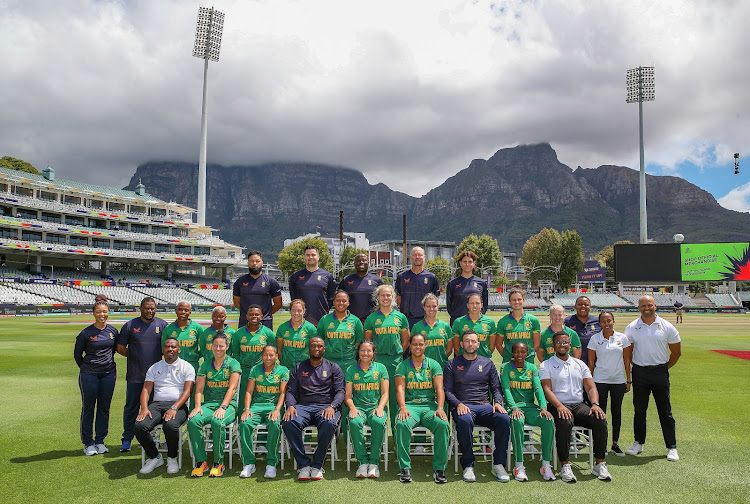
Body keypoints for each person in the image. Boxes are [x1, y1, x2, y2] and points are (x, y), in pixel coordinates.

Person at [539, 331, 611, 482]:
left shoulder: (579, 364)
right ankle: (565, 464)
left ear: (570, 345)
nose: (562, 345)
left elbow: (591, 388)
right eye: (558, 342)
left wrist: (595, 404)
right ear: (553, 346)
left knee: (600, 419)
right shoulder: (546, 365)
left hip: (578, 405)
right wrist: (559, 406)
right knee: (565, 421)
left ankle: (599, 463)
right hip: (557, 405)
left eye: (565, 342)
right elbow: (546, 389)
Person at [444, 330, 511, 483]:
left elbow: (496, 388)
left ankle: (498, 464)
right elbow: (447, 391)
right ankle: (468, 464)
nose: (470, 344)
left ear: (478, 344)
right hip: (464, 406)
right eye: (467, 341)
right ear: (461, 344)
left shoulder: (487, 363)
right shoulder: (452, 364)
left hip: (484, 406)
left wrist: (498, 403)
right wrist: (458, 404)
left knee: (503, 419)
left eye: (473, 341)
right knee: (465, 421)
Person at [623, 295, 681, 462]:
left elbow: (676, 353)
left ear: (655, 306)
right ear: (638, 307)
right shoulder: (632, 327)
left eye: (649, 305)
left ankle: (671, 447)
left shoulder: (667, 326)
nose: (646, 308)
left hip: (660, 372)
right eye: (643, 305)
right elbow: (629, 353)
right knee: (639, 410)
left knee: (665, 411)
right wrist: (640, 365)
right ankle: (638, 443)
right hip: (640, 372)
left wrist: (663, 368)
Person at [282, 336, 345, 481]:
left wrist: (333, 406)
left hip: (325, 406)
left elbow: (340, 391)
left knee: (329, 423)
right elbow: (290, 391)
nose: (316, 349)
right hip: (303, 406)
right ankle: (303, 464)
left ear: (324, 349)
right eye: (313, 346)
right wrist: (290, 406)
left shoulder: (333, 367)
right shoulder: (299, 367)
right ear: (308, 348)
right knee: (289, 421)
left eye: (319, 346)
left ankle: (317, 465)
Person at [394, 333, 450, 484]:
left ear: (426, 345)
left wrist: (440, 407)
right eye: (414, 344)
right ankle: (405, 468)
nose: (417, 347)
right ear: (410, 346)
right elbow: (400, 389)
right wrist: (403, 407)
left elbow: (439, 389)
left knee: (443, 424)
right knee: (402, 423)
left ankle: (439, 469)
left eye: (420, 344)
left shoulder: (434, 365)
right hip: (411, 406)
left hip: (430, 406)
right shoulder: (402, 366)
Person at [135, 337, 195, 474]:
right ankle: (155, 457)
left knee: (170, 425)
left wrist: (174, 407)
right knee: (139, 426)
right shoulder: (155, 367)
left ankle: (172, 458)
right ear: (163, 350)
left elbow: (188, 391)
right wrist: (144, 408)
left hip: (178, 405)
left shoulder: (187, 367)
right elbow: (146, 390)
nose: (170, 349)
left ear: (179, 349)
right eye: (167, 347)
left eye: (173, 347)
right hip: (156, 404)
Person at [115, 296, 168, 452]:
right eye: (147, 308)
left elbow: (168, 349)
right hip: (135, 375)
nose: (150, 311)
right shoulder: (130, 325)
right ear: (141, 308)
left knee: (153, 409)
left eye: (152, 308)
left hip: (156, 378)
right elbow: (120, 348)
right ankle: (127, 439)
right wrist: (135, 357)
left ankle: (153, 438)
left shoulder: (162, 325)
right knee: (131, 408)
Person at [187, 333, 241, 477]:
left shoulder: (233, 364)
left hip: (228, 405)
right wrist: (198, 406)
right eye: (215, 345)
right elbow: (198, 389)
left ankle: (218, 463)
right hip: (209, 404)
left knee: (218, 422)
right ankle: (201, 462)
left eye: (221, 346)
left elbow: (232, 388)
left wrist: (223, 407)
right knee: (193, 420)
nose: (218, 348)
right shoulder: (205, 364)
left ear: (227, 347)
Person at [501, 341, 555, 482]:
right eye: (517, 352)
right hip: (513, 408)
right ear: (512, 353)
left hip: (530, 407)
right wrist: (514, 408)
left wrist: (543, 407)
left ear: (527, 353)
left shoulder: (531, 367)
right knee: (517, 421)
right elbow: (506, 390)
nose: (520, 354)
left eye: (523, 351)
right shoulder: (506, 368)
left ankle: (545, 464)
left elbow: (538, 389)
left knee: (548, 421)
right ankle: (519, 465)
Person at [238, 345, 289, 479]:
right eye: (265, 355)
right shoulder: (255, 369)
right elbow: (249, 391)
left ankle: (271, 463)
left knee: (274, 423)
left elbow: (283, 392)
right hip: (256, 406)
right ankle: (249, 463)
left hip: (273, 406)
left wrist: (278, 409)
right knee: (244, 423)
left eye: (271, 355)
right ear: (262, 356)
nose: (268, 358)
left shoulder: (283, 370)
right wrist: (247, 409)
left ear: (276, 356)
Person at [74, 300, 118, 456]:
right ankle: (88, 443)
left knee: (104, 408)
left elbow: (114, 350)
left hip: (108, 374)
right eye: (99, 312)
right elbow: (77, 355)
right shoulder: (86, 333)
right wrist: (88, 368)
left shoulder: (113, 331)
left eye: (105, 312)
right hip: (89, 375)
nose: (102, 315)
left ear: (108, 312)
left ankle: (100, 441)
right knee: (88, 408)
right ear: (94, 313)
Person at [364, 284, 410, 428]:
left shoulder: (400, 317)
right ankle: (378, 438)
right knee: (378, 399)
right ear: (377, 297)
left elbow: (406, 341)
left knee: (396, 399)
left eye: (388, 295)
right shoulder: (372, 319)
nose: (386, 298)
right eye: (382, 295)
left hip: (395, 362)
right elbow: (368, 343)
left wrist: (396, 354)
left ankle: (398, 435)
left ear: (393, 297)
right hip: (377, 362)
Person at [587, 311, 632, 457]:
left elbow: (627, 361)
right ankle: (602, 445)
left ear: (613, 321)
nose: (606, 324)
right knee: (601, 413)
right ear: (599, 323)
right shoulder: (595, 339)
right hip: (600, 380)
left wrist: (628, 380)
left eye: (609, 320)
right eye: (603, 321)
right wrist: (591, 383)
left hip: (618, 380)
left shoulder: (622, 338)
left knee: (616, 412)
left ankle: (615, 444)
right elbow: (591, 363)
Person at [344, 340, 389, 478]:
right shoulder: (351, 370)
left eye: (369, 350)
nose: (365, 353)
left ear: (373, 353)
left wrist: (381, 407)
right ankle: (362, 462)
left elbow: (385, 393)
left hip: (376, 407)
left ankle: (374, 462)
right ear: (358, 352)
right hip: (359, 408)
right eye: (363, 350)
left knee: (378, 421)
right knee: (353, 421)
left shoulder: (381, 368)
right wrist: (352, 408)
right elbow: (348, 396)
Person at [232, 305, 276, 441]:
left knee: (261, 404)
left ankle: (262, 440)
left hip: (262, 373)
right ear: (246, 316)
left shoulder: (268, 333)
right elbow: (236, 354)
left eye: (257, 315)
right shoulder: (238, 334)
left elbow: (272, 353)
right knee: (243, 405)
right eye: (251, 314)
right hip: (244, 373)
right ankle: (243, 438)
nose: (254, 317)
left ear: (261, 316)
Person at [162, 301, 203, 407]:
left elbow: (204, 347)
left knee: (193, 395)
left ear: (190, 312)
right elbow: (164, 348)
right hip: (174, 368)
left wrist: (195, 355)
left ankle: (192, 420)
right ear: (176, 311)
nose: (183, 312)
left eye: (186, 310)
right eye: (180, 309)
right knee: (174, 395)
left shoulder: (197, 328)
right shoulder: (169, 329)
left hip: (193, 366)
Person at [317, 290, 365, 374]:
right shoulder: (325, 319)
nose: (341, 303)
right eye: (338, 300)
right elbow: (319, 341)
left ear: (348, 303)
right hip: (328, 362)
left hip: (348, 363)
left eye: (344, 301)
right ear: (334, 302)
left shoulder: (355, 321)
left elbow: (360, 342)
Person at [288, 244, 337, 325]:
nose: (310, 257)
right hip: (301, 321)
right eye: (308, 255)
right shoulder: (295, 276)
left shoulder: (328, 276)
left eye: (313, 255)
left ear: (318, 256)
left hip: (321, 321)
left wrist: (324, 309)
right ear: (304, 257)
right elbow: (293, 298)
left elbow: (331, 298)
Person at [233, 250, 282, 329]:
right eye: (251, 261)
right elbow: (237, 304)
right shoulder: (240, 282)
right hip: (245, 323)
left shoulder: (271, 281)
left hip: (265, 324)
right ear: (248, 263)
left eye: (257, 261)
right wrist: (250, 316)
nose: (254, 263)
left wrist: (265, 315)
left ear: (262, 262)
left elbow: (278, 304)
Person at [394, 247, 440, 329]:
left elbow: (435, 300)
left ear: (424, 257)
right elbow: (398, 299)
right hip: (406, 320)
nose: (417, 257)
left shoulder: (431, 277)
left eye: (420, 255)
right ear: (410, 257)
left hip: (425, 319)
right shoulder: (402, 276)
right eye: (414, 255)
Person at [496, 287, 541, 364]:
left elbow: (537, 344)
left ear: (523, 300)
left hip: (528, 362)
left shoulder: (533, 320)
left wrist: (529, 354)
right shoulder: (503, 321)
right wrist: (507, 356)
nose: (517, 302)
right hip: (509, 363)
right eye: (513, 300)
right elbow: (498, 344)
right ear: (509, 302)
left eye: (519, 299)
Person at [445, 250, 489, 326]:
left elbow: (484, 305)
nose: (467, 264)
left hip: (476, 324)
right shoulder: (452, 284)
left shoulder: (482, 283)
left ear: (474, 263)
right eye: (465, 262)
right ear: (460, 263)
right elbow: (449, 306)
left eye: (470, 262)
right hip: (458, 324)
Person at [338, 252, 383, 323]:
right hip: (350, 322)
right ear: (354, 263)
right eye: (358, 261)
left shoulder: (377, 280)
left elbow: (383, 301)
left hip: (372, 322)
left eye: (364, 260)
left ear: (368, 263)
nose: (361, 262)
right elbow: (339, 300)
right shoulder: (346, 280)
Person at [412, 293, 452, 369]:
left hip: (441, 367)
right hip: (423, 368)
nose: (431, 309)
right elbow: (413, 349)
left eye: (434, 306)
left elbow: (449, 349)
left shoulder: (445, 326)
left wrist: (440, 360)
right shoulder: (417, 327)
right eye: (428, 306)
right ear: (423, 307)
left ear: (438, 307)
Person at [276, 299, 317, 370]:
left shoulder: (310, 328)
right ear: (290, 311)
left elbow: (314, 349)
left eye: (299, 310)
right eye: (293, 310)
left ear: (304, 311)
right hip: (286, 368)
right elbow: (279, 350)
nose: (296, 313)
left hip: (304, 368)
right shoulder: (282, 328)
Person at [452, 293, 496, 359]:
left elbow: (491, 346)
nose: (474, 306)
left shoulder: (490, 322)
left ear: (481, 305)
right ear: (467, 305)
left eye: (477, 303)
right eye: (472, 303)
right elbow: (456, 347)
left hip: (484, 362)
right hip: (464, 362)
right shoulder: (458, 322)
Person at [564, 296, 601, 366]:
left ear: (590, 307)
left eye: (586, 305)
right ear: (575, 306)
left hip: (595, 363)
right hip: (572, 362)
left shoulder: (597, 321)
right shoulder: (567, 321)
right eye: (580, 304)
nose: (583, 306)